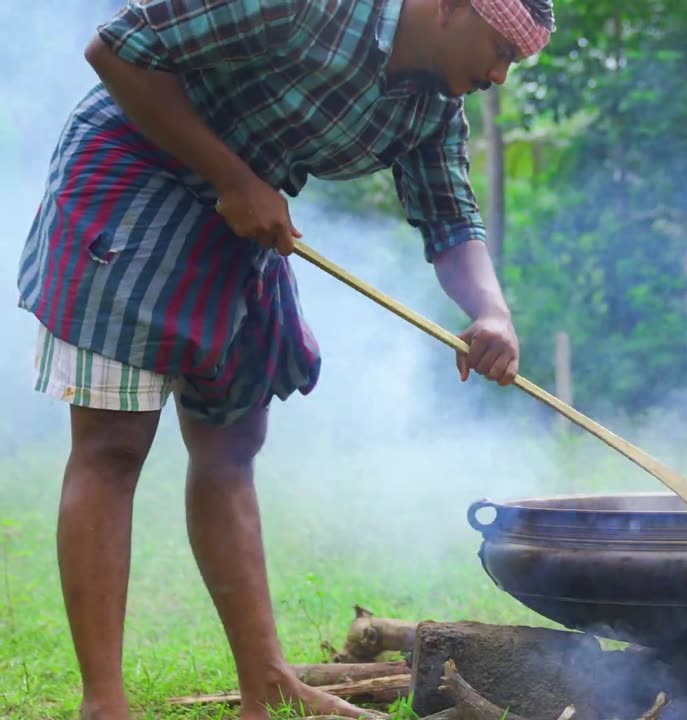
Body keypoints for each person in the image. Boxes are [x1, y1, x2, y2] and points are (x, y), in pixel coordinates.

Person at [15, 0, 554, 718]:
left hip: (242, 219)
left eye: (511, 64)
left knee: (232, 443)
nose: (497, 73)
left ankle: (264, 680)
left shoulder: (430, 106)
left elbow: (451, 217)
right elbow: (115, 50)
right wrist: (233, 177)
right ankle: (104, 701)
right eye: (498, 51)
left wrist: (492, 312)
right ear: (450, 7)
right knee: (113, 446)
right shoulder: (311, 6)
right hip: (137, 172)